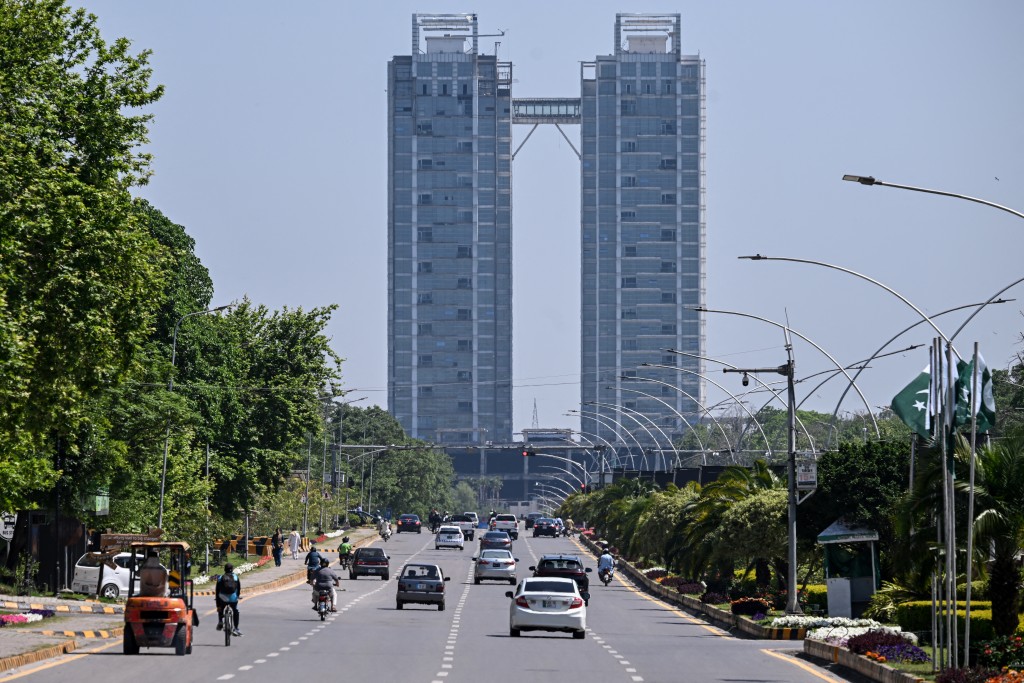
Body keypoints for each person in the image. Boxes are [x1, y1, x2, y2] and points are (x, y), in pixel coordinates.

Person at [215, 562, 243, 636]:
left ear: (224, 569)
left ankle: (220, 620)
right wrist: (237, 596)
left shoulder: (220, 578)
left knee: (220, 606)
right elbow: (239, 588)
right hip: (233, 598)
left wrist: (217, 602)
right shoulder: (236, 577)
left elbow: (217, 590)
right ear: (232, 569)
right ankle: (236, 628)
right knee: (236, 611)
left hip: (223, 598)